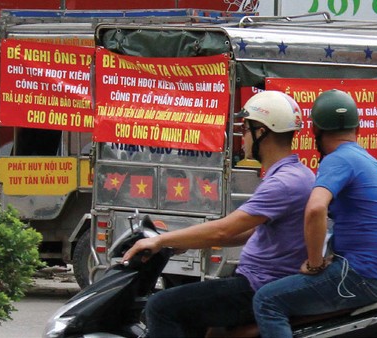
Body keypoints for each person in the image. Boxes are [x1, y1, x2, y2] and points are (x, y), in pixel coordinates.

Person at [121, 90, 315, 337]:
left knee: (160, 306)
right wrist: (185, 242)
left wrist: (160, 240)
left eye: (245, 130)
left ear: (262, 132)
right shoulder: (296, 174)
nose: (242, 138)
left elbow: (225, 229)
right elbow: (246, 231)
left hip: (258, 286)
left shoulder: (284, 183)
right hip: (260, 279)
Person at [252, 89, 377, 337]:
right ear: (358, 130)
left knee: (267, 301)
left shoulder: (337, 160)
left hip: (364, 275)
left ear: (315, 130)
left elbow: (315, 208)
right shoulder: (368, 160)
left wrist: (315, 263)